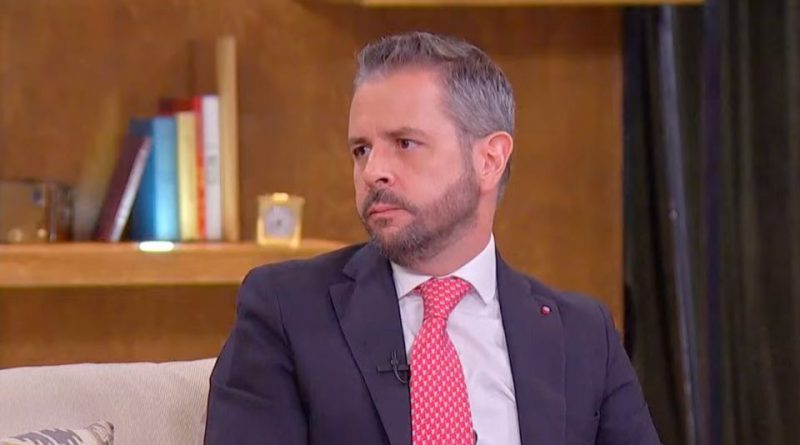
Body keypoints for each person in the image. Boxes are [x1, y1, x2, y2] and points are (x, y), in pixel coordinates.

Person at [204, 31, 660, 445]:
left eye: (405, 143)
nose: (373, 171)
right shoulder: (287, 310)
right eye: (361, 149)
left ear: (490, 160)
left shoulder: (583, 335)